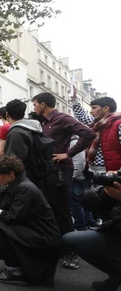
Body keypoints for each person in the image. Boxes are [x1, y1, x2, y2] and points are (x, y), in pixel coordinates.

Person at [0, 155, 60, 286]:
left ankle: (15, 270)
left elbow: (12, 217)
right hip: (34, 230)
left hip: (44, 237)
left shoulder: (25, 188)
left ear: (11, 173)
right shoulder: (16, 184)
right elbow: (4, 212)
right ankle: (18, 263)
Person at [32, 92, 96, 270]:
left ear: (43, 104)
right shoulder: (42, 123)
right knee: (49, 210)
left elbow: (88, 133)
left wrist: (68, 154)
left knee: (62, 212)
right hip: (46, 172)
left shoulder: (62, 118)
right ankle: (56, 247)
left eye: (35, 104)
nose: (34, 107)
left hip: (59, 171)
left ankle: (71, 252)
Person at [63, 179, 121, 291]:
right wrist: (103, 193)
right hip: (116, 236)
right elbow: (86, 201)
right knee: (70, 239)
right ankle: (117, 276)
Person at [70, 95, 121, 172]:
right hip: (92, 171)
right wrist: (74, 98)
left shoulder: (118, 124)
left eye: (94, 108)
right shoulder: (96, 123)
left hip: (111, 172)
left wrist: (118, 173)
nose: (91, 111)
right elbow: (81, 116)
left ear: (106, 108)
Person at [3, 99, 44, 186]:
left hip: (23, 180)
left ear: (7, 114)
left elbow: (13, 160)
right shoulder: (32, 129)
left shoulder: (16, 133)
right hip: (35, 177)